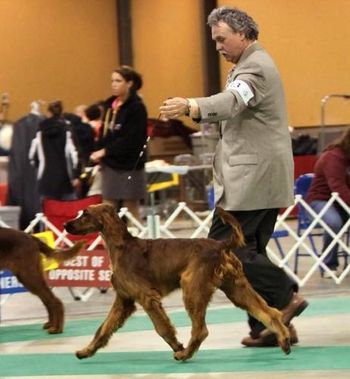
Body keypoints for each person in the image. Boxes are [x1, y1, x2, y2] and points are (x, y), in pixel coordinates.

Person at [159, 6, 308, 348]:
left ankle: (286, 298)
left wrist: (192, 106)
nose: (218, 47)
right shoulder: (248, 64)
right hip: (256, 176)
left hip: (253, 178)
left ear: (243, 34)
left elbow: (232, 102)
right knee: (246, 252)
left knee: (223, 253)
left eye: (222, 39)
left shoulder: (255, 67)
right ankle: (269, 325)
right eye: (214, 41)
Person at [90, 66, 148, 219]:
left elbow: (131, 139)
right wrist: (98, 150)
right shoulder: (109, 106)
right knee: (107, 208)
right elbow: (104, 132)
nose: (113, 84)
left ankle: (137, 240)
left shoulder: (137, 108)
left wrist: (106, 151)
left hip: (130, 164)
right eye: (112, 81)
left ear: (129, 83)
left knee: (130, 207)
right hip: (110, 165)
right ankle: (109, 242)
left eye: (118, 81)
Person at [306, 127, 350, 277]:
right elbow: (338, 187)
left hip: (341, 202)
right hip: (320, 200)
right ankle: (328, 264)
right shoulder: (333, 157)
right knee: (334, 223)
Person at [29, 100, 81, 202]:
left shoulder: (40, 131)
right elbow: (74, 154)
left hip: (45, 178)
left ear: (48, 113)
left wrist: (38, 168)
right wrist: (76, 175)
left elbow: (32, 156)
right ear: (61, 113)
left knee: (47, 212)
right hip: (65, 179)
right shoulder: (67, 130)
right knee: (68, 212)